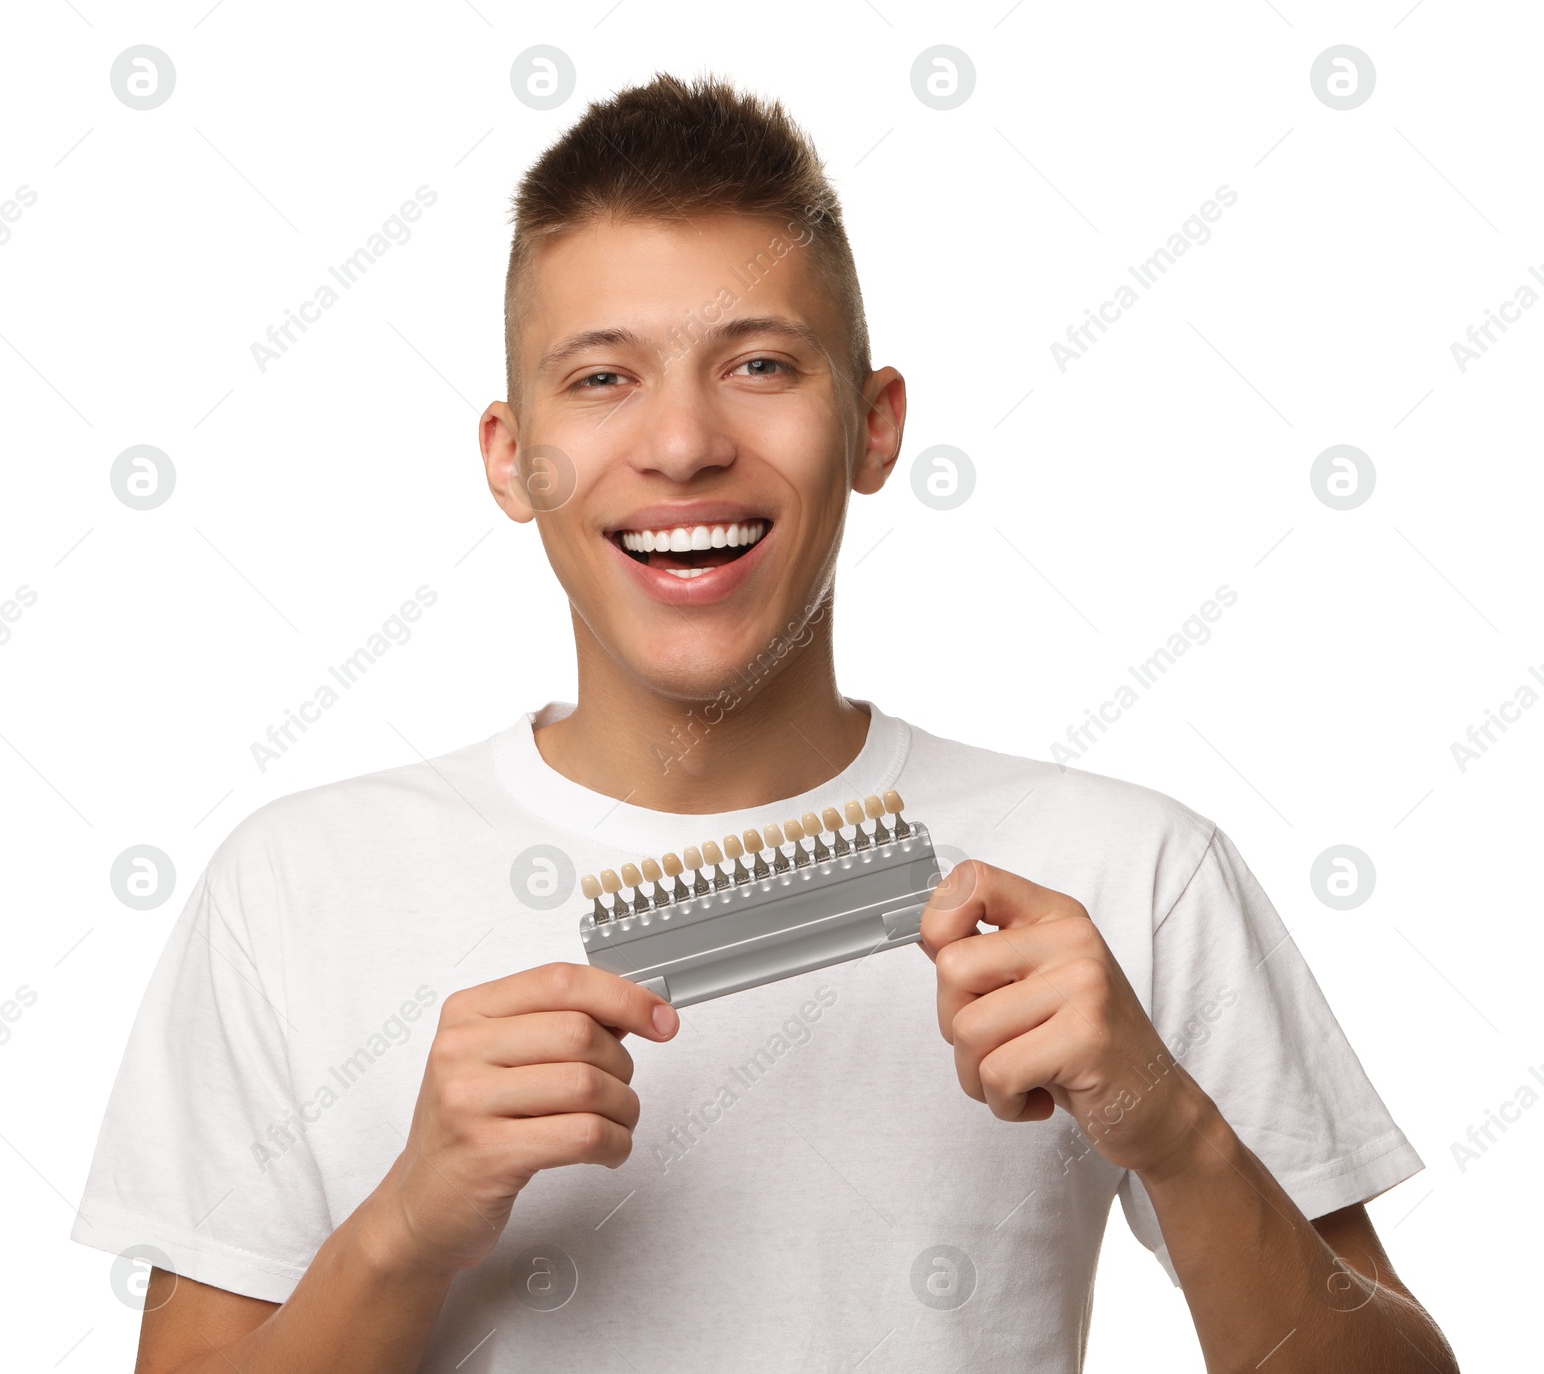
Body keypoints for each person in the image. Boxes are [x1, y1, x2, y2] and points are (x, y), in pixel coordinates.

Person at [73, 72, 1458, 1373]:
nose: (682, 445)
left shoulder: (1131, 873)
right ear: (512, 457)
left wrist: (1182, 1135)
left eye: (759, 366)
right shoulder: (297, 889)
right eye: (603, 376)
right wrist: (408, 1223)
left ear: (873, 423)